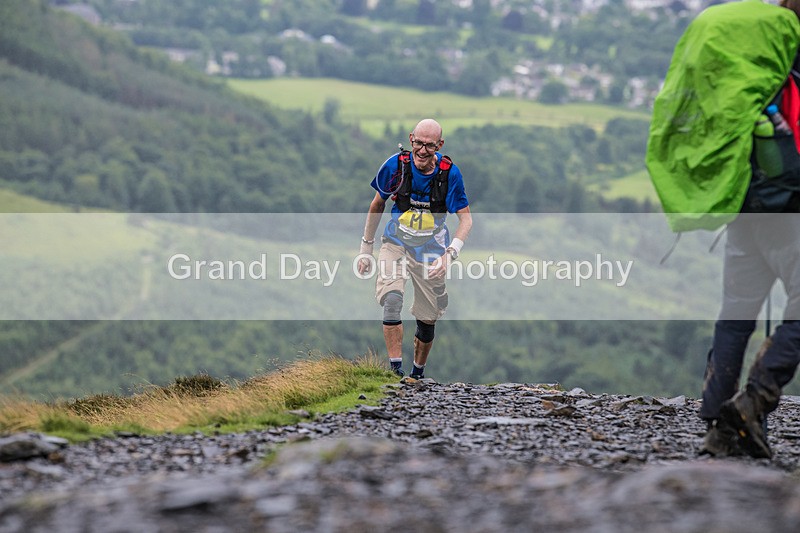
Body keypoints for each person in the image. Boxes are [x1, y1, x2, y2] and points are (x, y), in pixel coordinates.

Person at [699, 0, 800, 459]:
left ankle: (716, 420)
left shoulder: (758, 54)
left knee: (736, 313)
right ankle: (753, 400)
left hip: (744, 205)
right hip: (791, 210)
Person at [357, 119, 472, 379]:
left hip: (432, 248)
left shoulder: (449, 173)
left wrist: (450, 254)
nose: (422, 150)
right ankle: (394, 372)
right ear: (410, 139)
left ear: (439, 145)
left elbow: (466, 219)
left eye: (429, 146)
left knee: (427, 317)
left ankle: (417, 375)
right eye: (418, 143)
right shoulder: (395, 166)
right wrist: (366, 248)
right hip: (396, 242)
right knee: (392, 300)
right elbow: (377, 205)